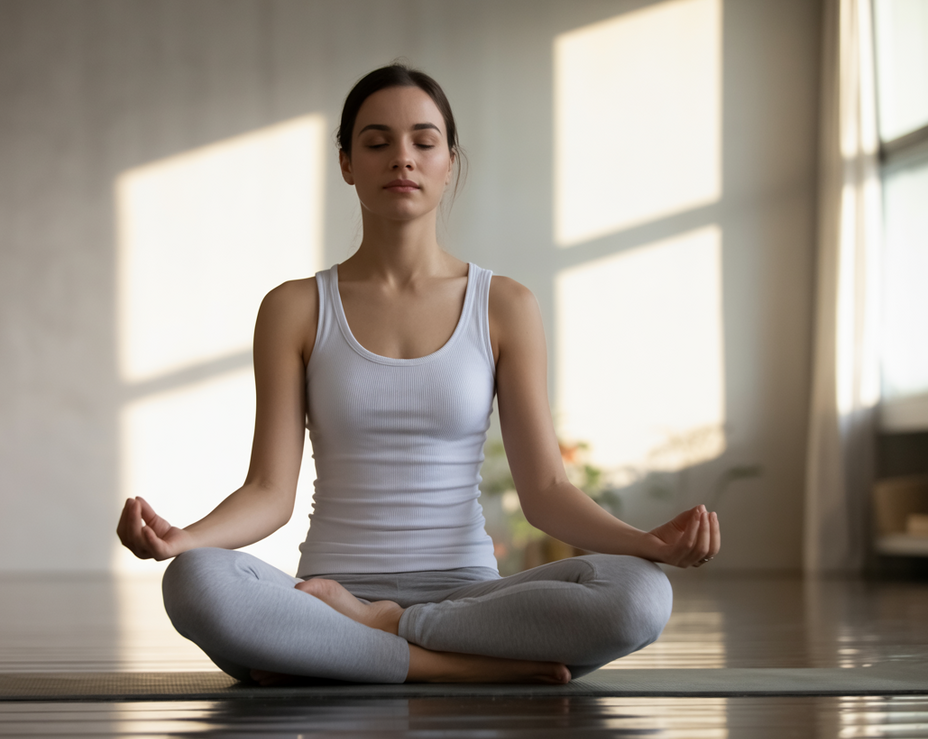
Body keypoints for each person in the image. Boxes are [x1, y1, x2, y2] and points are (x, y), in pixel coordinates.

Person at [116, 63, 720, 685]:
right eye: (377, 143)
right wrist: (183, 541)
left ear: (449, 161)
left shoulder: (503, 305)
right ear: (347, 162)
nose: (401, 158)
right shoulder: (294, 308)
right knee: (196, 581)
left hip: (467, 601)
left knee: (640, 594)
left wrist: (645, 544)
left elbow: (546, 491)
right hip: (327, 590)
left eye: (423, 142)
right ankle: (467, 669)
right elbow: (270, 491)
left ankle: (372, 639)